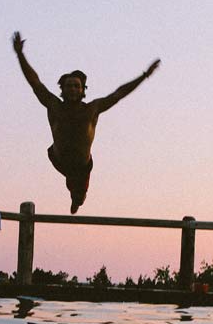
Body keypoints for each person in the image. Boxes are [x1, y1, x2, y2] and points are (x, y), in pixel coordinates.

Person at [11, 31, 160, 213]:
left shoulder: (92, 109)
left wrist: (144, 76)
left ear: (83, 90)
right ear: (62, 90)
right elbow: (35, 82)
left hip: (82, 167)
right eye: (69, 86)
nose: (72, 89)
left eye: (76, 86)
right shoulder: (53, 105)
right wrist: (20, 54)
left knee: (79, 196)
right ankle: (74, 194)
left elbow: (119, 93)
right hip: (59, 160)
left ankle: (76, 200)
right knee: (71, 182)